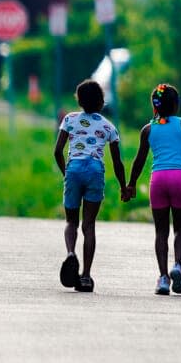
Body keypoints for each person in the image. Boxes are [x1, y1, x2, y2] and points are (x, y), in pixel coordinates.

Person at [126, 83, 181, 296]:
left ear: (154, 106)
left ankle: (162, 278)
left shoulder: (148, 129)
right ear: (177, 105)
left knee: (161, 231)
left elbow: (139, 160)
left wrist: (131, 184)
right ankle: (177, 265)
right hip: (179, 179)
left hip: (158, 180)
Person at [53, 79, 128, 293]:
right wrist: (124, 187)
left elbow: (57, 151)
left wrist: (66, 174)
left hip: (74, 168)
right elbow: (117, 162)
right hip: (95, 170)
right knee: (89, 226)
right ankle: (85, 276)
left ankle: (70, 253)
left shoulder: (69, 119)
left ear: (79, 100)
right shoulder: (108, 127)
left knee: (71, 222)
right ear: (101, 101)